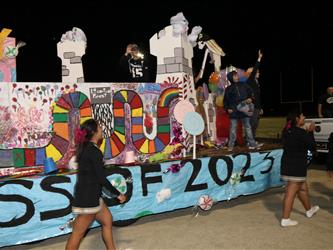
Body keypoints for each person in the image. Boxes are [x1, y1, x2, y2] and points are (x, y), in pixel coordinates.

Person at [66, 119, 126, 250]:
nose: (101, 130)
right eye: (99, 128)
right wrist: (118, 194)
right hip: (89, 200)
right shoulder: (94, 151)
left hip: (92, 196)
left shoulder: (85, 149)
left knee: (107, 220)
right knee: (77, 235)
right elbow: (101, 178)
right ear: (93, 132)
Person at [280, 110, 319, 227]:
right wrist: (310, 133)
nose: (304, 118)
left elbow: (297, 142)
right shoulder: (301, 133)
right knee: (290, 193)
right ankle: (285, 219)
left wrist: (306, 133)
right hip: (296, 167)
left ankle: (309, 210)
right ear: (297, 119)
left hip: (287, 166)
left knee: (302, 189)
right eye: (302, 116)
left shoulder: (286, 131)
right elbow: (312, 147)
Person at [223, 70, 263, 151]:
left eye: (237, 75)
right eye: (234, 75)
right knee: (233, 129)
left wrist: (250, 98)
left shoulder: (244, 85)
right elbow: (225, 101)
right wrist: (227, 109)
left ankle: (252, 144)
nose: (237, 76)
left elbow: (251, 93)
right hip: (234, 111)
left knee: (248, 127)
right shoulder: (228, 89)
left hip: (244, 109)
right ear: (231, 78)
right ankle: (231, 146)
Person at [246, 50, 263, 139]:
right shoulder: (250, 80)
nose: (259, 73)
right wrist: (259, 58)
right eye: (257, 72)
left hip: (256, 106)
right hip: (252, 107)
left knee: (255, 124)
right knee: (252, 124)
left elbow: (257, 96)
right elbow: (255, 69)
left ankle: (252, 141)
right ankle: (250, 142)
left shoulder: (255, 82)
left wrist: (260, 107)